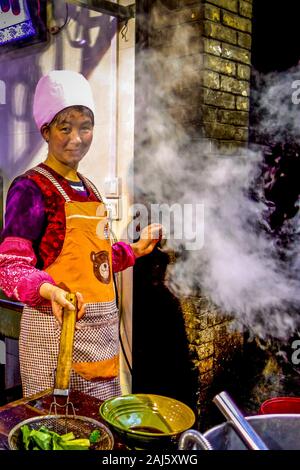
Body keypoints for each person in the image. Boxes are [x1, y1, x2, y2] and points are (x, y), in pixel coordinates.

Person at [0, 70, 161, 400]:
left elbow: (96, 260)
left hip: (99, 337)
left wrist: (135, 250)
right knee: (57, 431)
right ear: (45, 131)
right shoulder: (31, 189)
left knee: (99, 430)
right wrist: (48, 289)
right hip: (54, 333)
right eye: (65, 128)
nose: (77, 138)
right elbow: (9, 268)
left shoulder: (89, 189)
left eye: (85, 127)